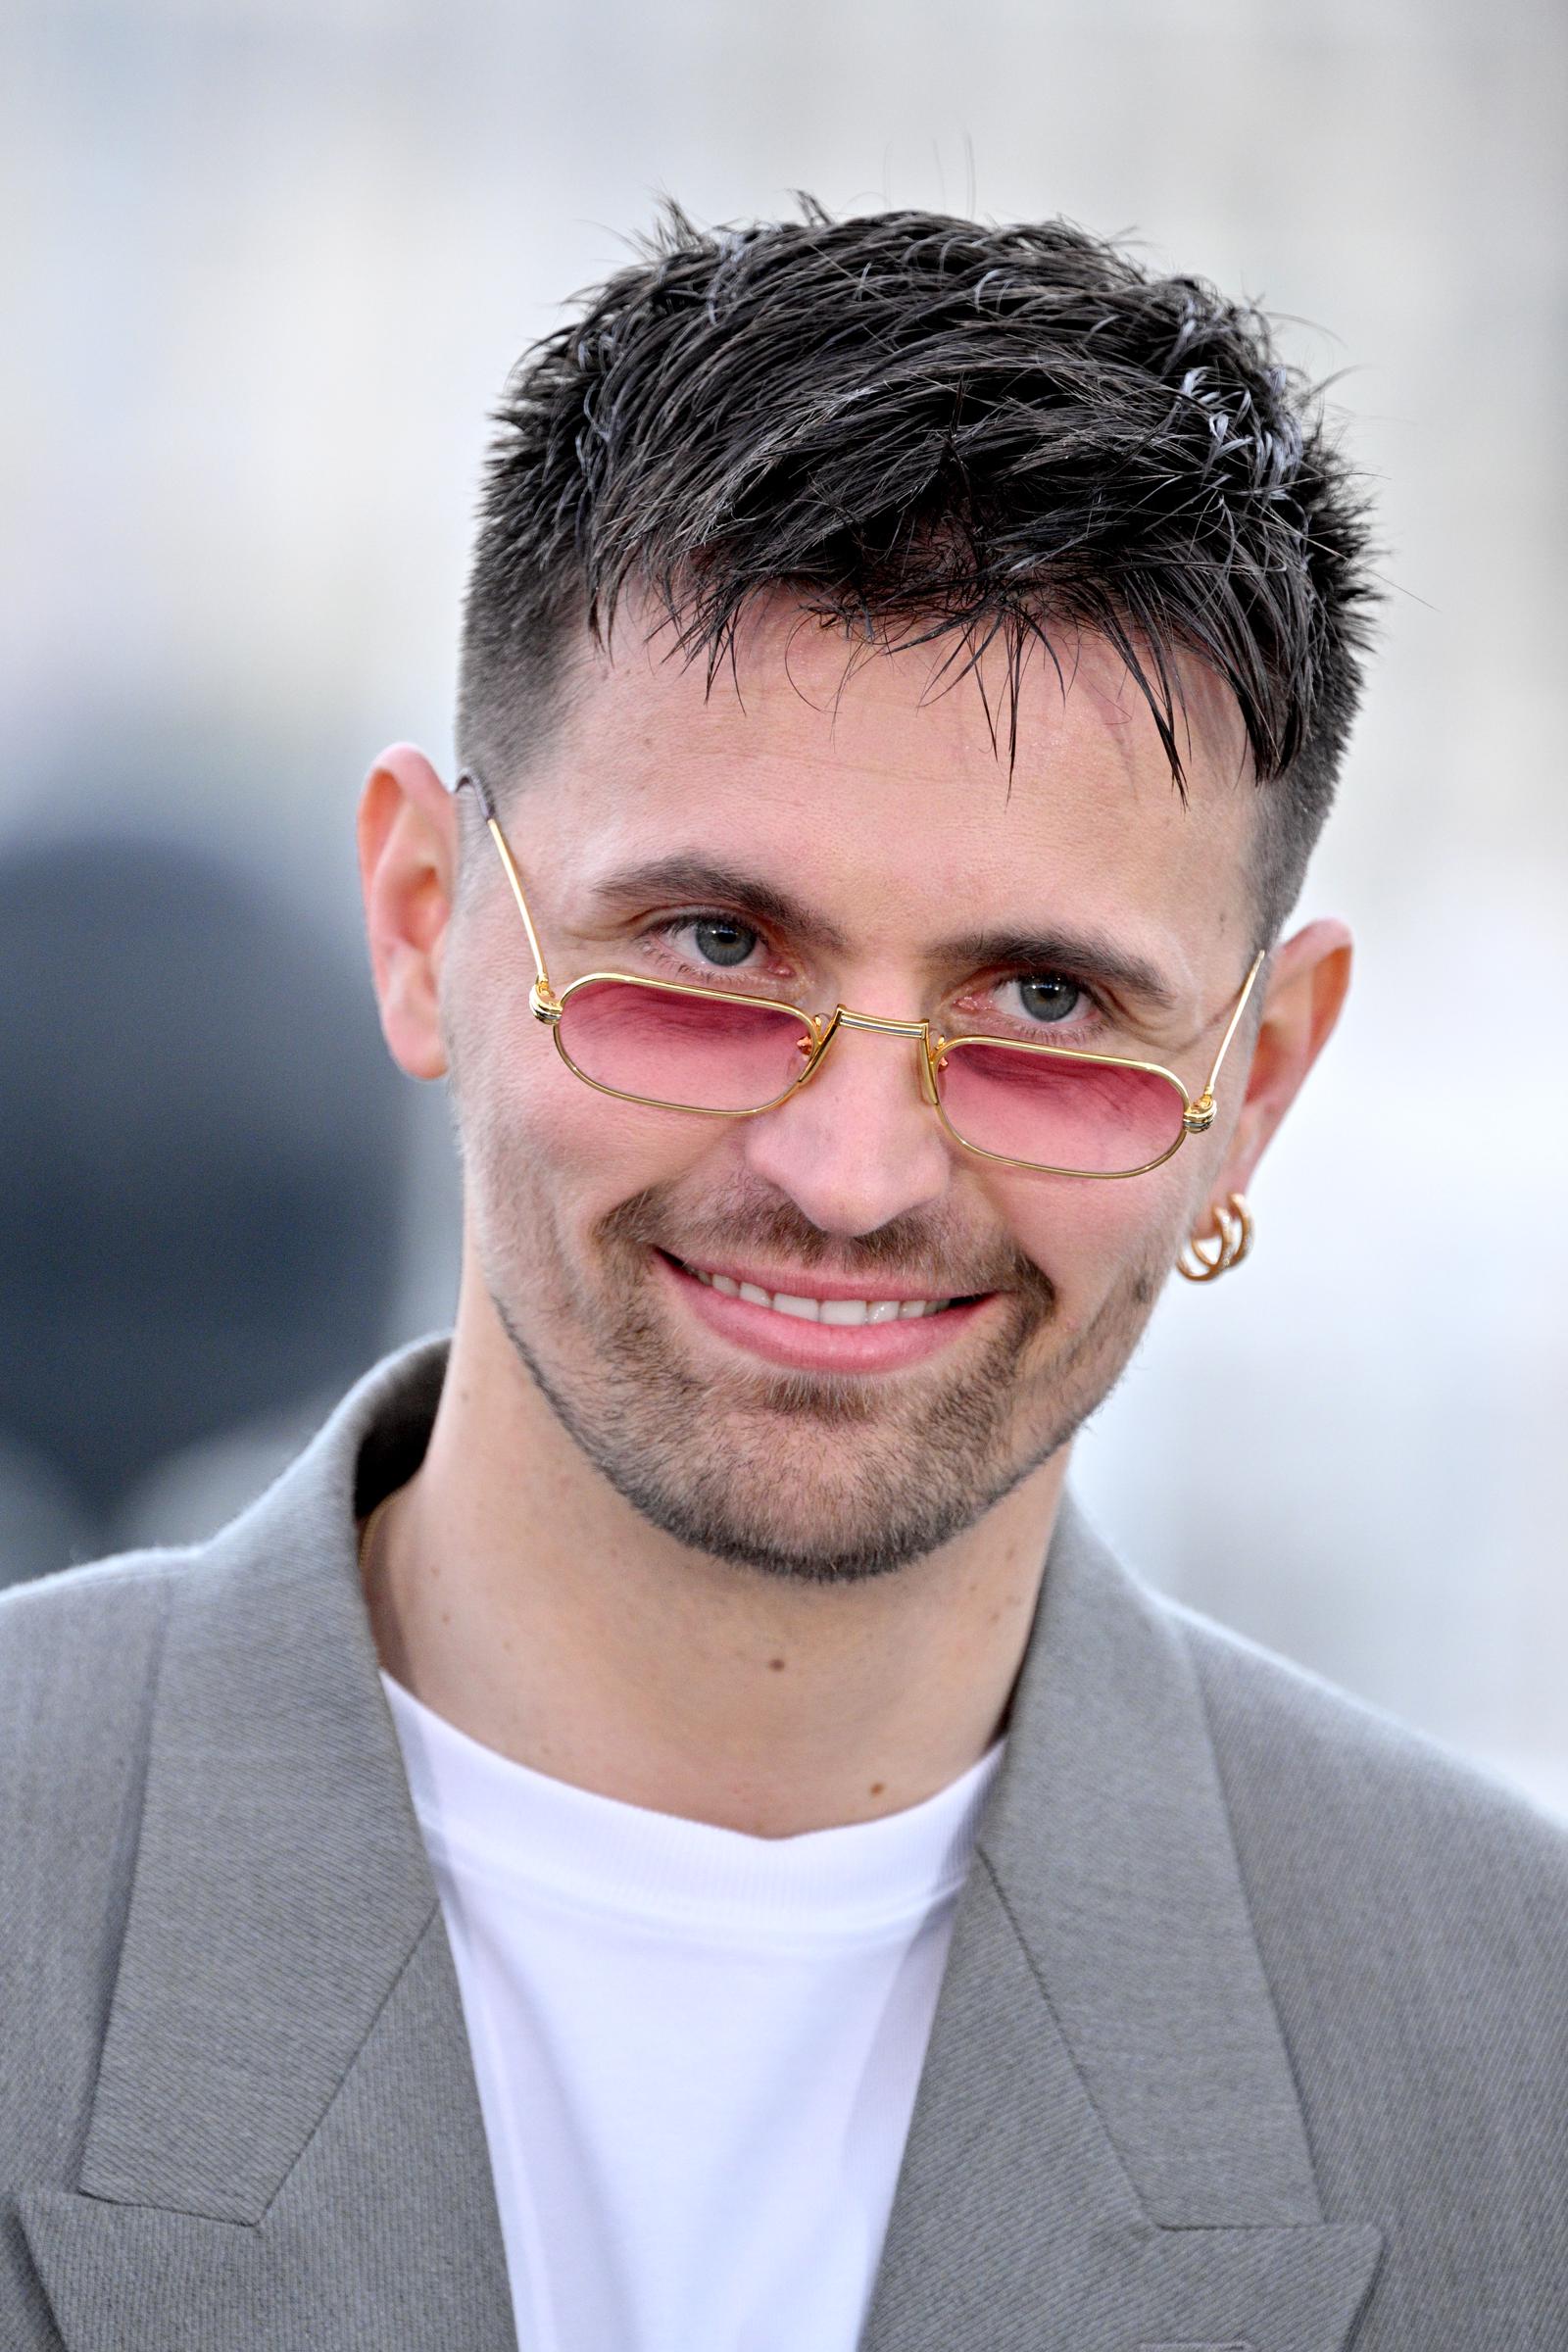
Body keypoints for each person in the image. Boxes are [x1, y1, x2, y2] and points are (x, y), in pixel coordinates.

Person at [2, 205, 1563, 2352]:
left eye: (1041, 996)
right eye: (716, 950)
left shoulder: (1510, 2062)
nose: (848, 1172)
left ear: (1256, 1081)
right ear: (420, 920)